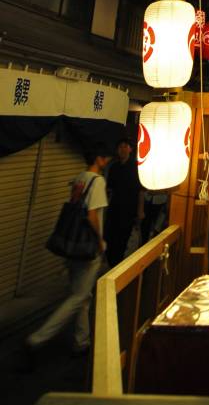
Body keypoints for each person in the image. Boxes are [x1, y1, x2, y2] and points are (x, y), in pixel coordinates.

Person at [22, 147, 110, 366]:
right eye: (105, 155)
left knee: (81, 295)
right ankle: (38, 338)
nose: (107, 159)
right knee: (77, 297)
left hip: (71, 244)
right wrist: (100, 243)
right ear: (98, 158)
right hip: (86, 247)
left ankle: (82, 342)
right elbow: (92, 215)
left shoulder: (80, 178)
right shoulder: (97, 181)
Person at [105, 137, 144, 267]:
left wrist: (140, 211)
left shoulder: (135, 167)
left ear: (131, 149)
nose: (123, 149)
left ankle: (117, 270)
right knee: (109, 240)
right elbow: (109, 190)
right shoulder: (114, 167)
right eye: (120, 146)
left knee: (122, 241)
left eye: (125, 146)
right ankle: (112, 266)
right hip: (114, 209)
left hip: (129, 210)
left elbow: (140, 191)